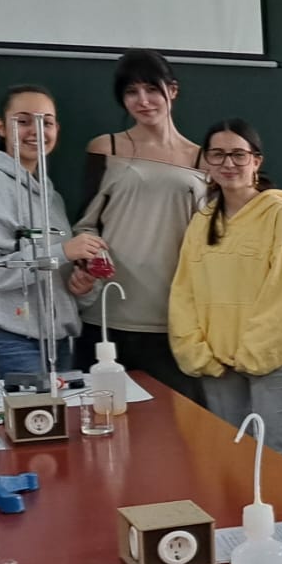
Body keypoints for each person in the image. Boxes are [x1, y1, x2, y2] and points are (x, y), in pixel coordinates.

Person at [168, 120, 282, 461]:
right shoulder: (202, 221)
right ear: (206, 162)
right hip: (217, 364)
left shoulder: (279, 213)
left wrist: (253, 352)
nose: (228, 163)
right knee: (229, 459)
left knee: (279, 458)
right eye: (218, 155)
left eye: (238, 154)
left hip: (270, 360)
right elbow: (184, 292)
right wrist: (197, 352)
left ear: (256, 161)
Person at [69, 49, 209, 401]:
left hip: (176, 319)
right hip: (108, 315)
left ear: (172, 90)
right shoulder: (107, 147)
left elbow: (212, 239)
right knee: (102, 418)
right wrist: (87, 264)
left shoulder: (204, 158)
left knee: (174, 426)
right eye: (131, 92)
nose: (143, 100)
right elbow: (85, 224)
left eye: (151, 89)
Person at [0, 85, 96, 380]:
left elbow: (48, 268)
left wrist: (80, 285)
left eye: (46, 122)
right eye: (23, 121)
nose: (36, 131)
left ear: (56, 129)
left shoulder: (49, 195)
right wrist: (63, 251)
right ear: (1, 126)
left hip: (52, 341)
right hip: (3, 340)